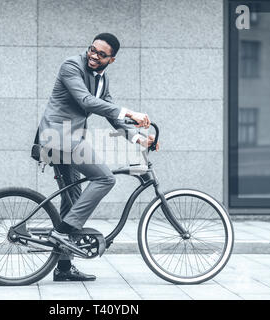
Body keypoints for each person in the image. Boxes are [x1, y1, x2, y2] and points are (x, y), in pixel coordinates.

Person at [35, 33, 159, 281]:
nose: (93, 55)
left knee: (73, 200)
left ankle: (63, 268)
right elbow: (86, 100)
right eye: (92, 49)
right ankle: (64, 231)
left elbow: (112, 117)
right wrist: (131, 112)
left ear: (111, 60)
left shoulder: (103, 81)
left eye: (101, 54)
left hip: (69, 138)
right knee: (104, 179)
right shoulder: (71, 65)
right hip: (58, 136)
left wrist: (138, 139)